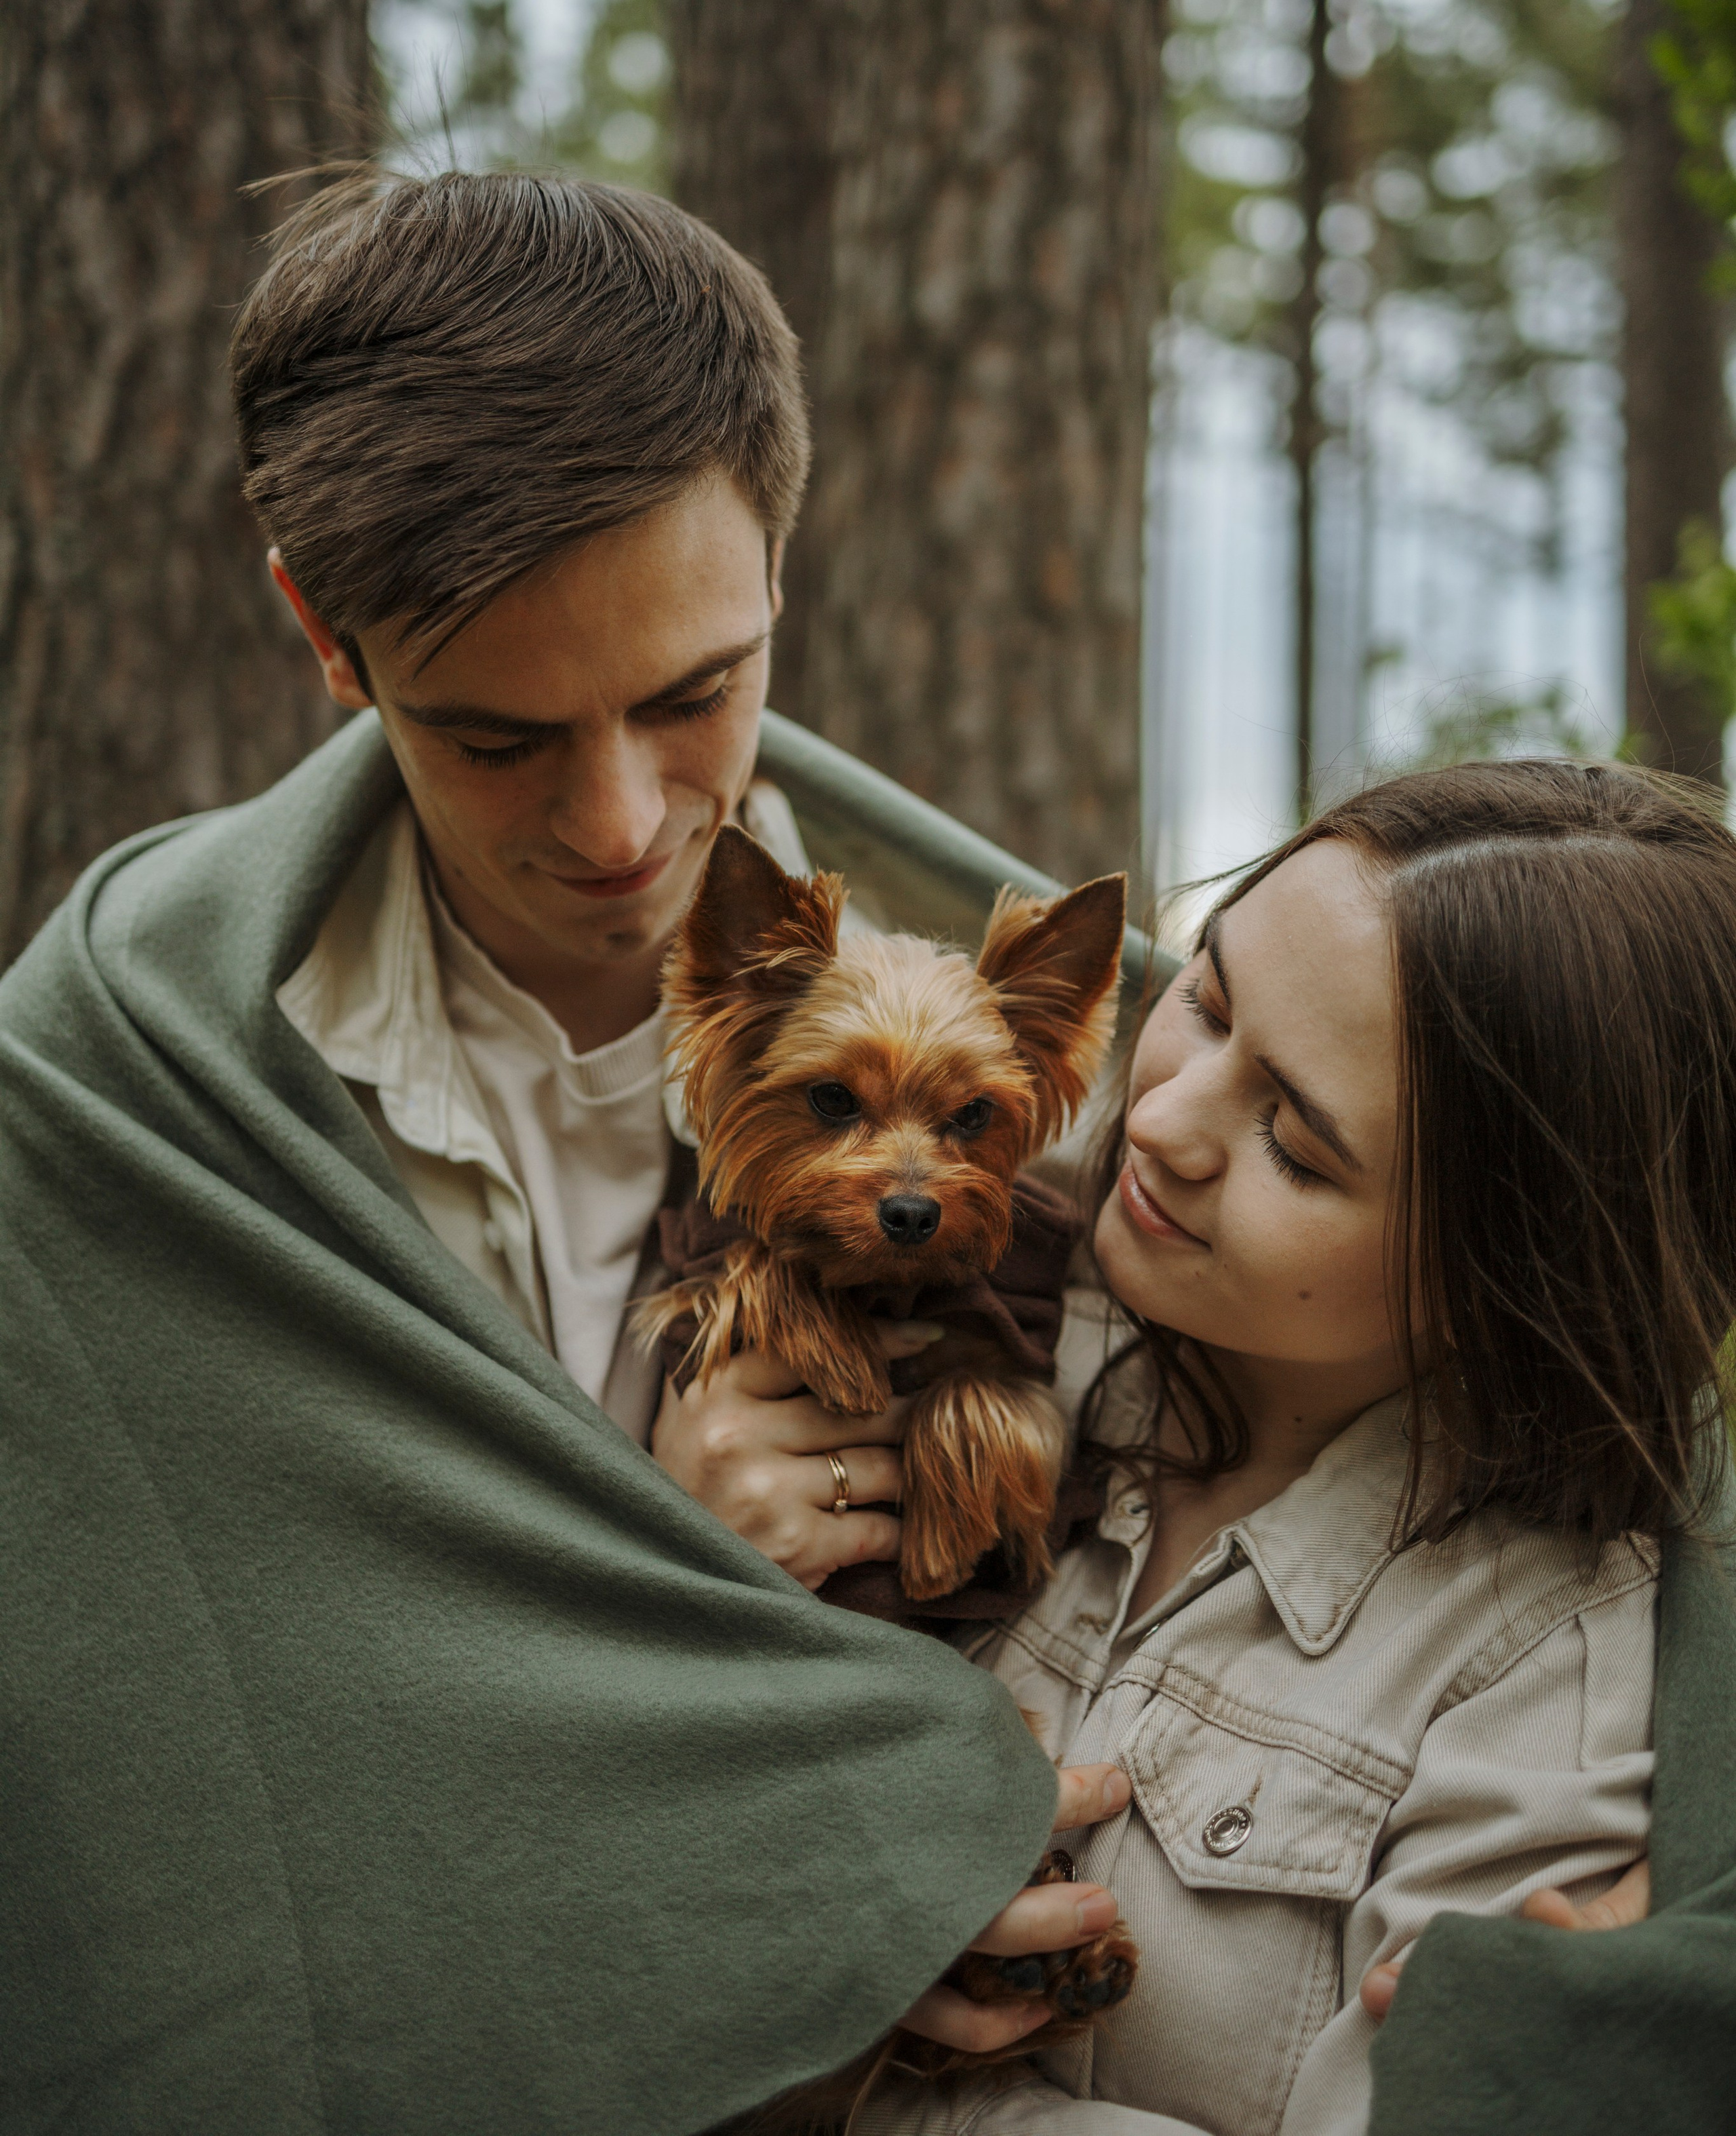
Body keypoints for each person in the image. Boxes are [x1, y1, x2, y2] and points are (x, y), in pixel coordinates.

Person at [0, 170, 1113, 2136]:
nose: (616, 826)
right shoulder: (104, 1087)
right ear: (321, 634)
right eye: (494, 734)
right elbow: (143, 1788)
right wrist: (675, 1590)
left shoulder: (1071, 1043)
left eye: (692, 698)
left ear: (780, 551)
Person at [749, 758, 1736, 2135]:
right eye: (1203, 999)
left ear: (1503, 1265)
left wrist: (850, 2082)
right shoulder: (960, 1316)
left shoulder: (1533, 1676)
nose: (1153, 1120)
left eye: (1291, 1140)